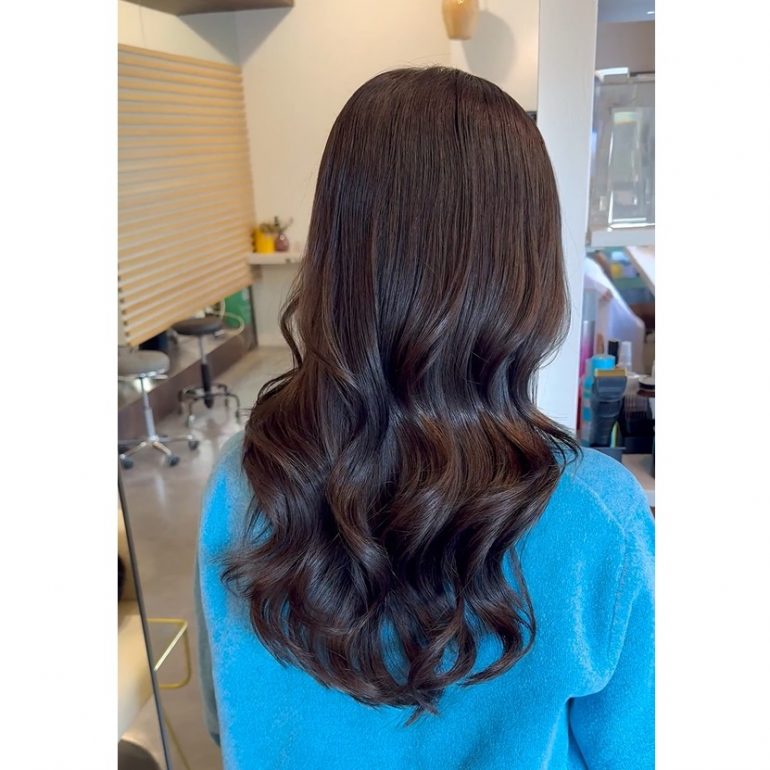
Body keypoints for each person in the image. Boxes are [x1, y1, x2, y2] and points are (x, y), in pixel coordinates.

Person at [195, 67, 654, 769]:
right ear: (527, 269)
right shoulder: (597, 514)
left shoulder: (240, 482)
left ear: (337, 256)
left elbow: (225, 720)